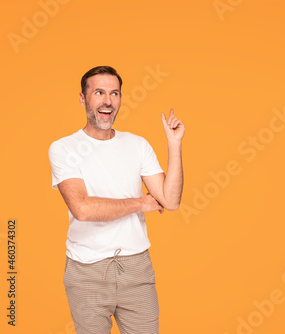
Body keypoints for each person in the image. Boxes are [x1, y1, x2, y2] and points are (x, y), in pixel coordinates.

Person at [48, 65, 185, 333]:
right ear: (83, 98)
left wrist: (174, 143)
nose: (107, 101)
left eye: (114, 93)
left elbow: (171, 200)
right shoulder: (63, 148)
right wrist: (140, 203)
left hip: (136, 267)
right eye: (99, 92)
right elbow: (83, 209)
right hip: (87, 270)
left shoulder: (137, 144)